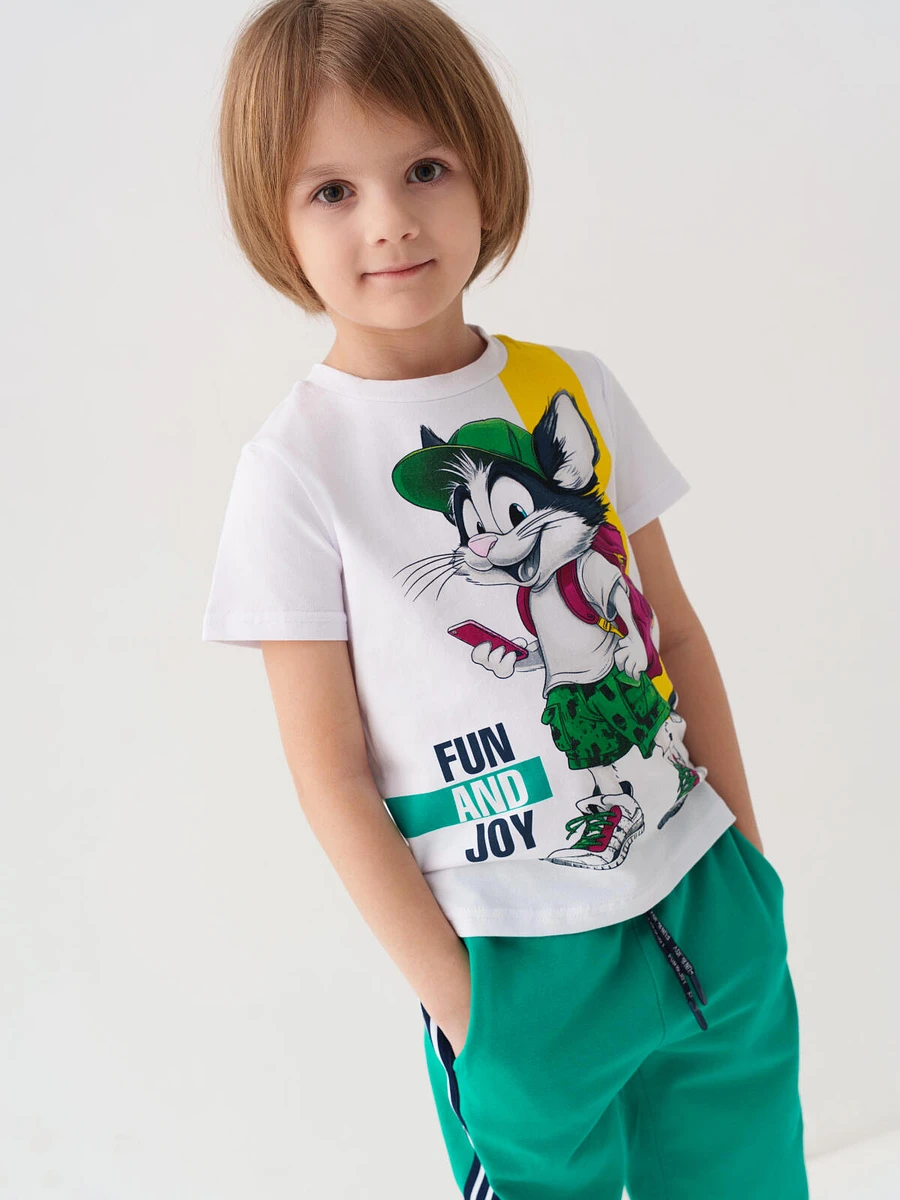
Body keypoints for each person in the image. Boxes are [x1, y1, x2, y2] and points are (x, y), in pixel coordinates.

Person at [201, 1, 809, 1196]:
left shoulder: (566, 386)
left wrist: (745, 855)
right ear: (274, 217)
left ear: (484, 166)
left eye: (425, 168)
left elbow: (674, 629)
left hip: (702, 897)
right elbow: (330, 776)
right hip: (514, 965)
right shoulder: (295, 469)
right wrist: (464, 1002)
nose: (390, 219)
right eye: (333, 190)